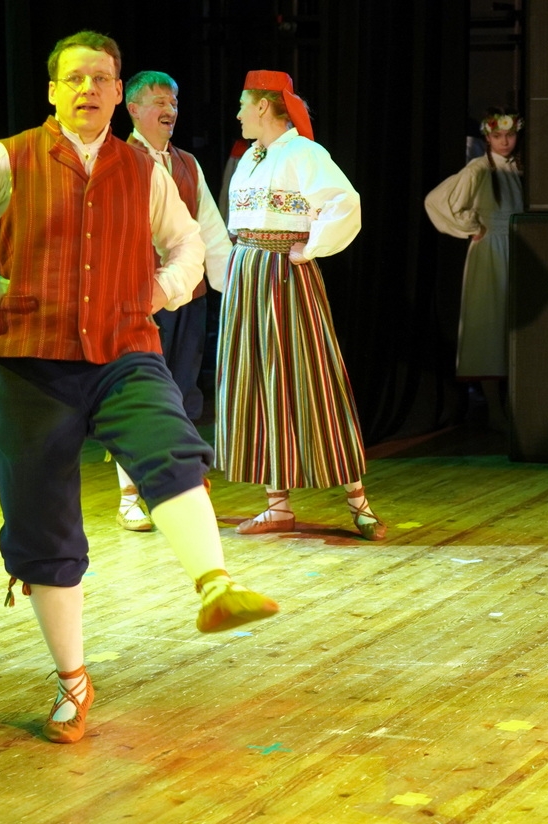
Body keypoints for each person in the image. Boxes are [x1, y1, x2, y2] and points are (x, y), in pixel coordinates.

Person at [0, 31, 279, 745]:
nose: (88, 89)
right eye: (74, 78)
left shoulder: (142, 170)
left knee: (169, 445)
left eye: (101, 79)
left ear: (117, 93)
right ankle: (72, 680)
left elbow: (188, 244)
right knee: (42, 521)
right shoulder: (7, 159)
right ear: (53, 91)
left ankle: (215, 585)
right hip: (29, 360)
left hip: (122, 350)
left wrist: (160, 292)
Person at [218, 70, 383, 540]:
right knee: (259, 381)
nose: (238, 113)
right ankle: (277, 504)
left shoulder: (304, 153)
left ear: (263, 105)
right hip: (248, 273)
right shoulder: (251, 157)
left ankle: (358, 501)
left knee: (311, 376)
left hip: (283, 276)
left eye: (243, 104)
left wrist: (310, 247)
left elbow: (345, 203)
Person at [109, 69, 232, 532]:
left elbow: (210, 232)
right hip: (138, 299)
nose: (169, 110)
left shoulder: (187, 164)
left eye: (174, 102)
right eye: (159, 101)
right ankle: (129, 496)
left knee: (181, 394)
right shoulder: (117, 160)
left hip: (188, 298)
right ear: (133, 109)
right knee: (137, 396)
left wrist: (232, 289)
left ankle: (174, 491)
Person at [424, 108, 526, 428]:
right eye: (498, 136)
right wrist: (471, 226)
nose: (505, 142)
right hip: (492, 251)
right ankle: (495, 410)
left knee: (516, 326)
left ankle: (515, 406)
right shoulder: (479, 169)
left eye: (510, 135)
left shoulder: (520, 168)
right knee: (490, 326)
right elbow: (438, 201)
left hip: (519, 248)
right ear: (487, 138)